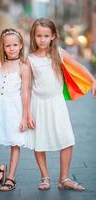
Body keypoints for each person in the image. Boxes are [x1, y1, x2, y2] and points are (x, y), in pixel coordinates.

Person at [25, 18, 96, 191]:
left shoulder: (59, 53)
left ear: (53, 36)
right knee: (38, 141)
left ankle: (63, 178)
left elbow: (78, 67)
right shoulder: (30, 59)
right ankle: (45, 176)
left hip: (57, 104)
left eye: (46, 35)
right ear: (33, 36)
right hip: (38, 105)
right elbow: (26, 87)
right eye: (38, 35)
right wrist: (26, 113)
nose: (42, 39)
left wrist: (93, 80)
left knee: (67, 139)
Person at [0, 28, 29, 191]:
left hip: (15, 108)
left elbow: (25, 93)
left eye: (15, 45)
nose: (11, 48)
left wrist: (25, 117)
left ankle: (11, 178)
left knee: (15, 143)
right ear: (2, 47)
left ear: (21, 45)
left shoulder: (24, 66)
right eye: (8, 45)